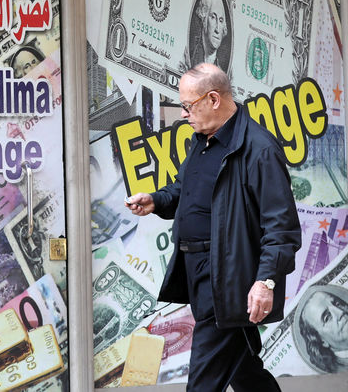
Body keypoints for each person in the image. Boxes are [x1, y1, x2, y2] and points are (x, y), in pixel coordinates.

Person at [125, 63, 301, 392]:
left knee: (204, 381)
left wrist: (265, 282)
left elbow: (282, 228)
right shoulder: (202, 142)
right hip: (199, 273)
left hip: (230, 278)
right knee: (244, 371)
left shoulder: (259, 149)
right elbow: (186, 190)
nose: (183, 113)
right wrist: (157, 201)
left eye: (188, 106)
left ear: (214, 99)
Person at [295, 286, 348, 373]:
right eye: (327, 318)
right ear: (322, 341)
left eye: (337, 304)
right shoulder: (338, 372)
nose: (340, 312)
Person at [186, 0, 231, 74]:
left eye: (221, 20)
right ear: (204, 18)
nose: (217, 29)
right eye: (213, 17)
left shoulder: (221, 74)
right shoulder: (190, 59)